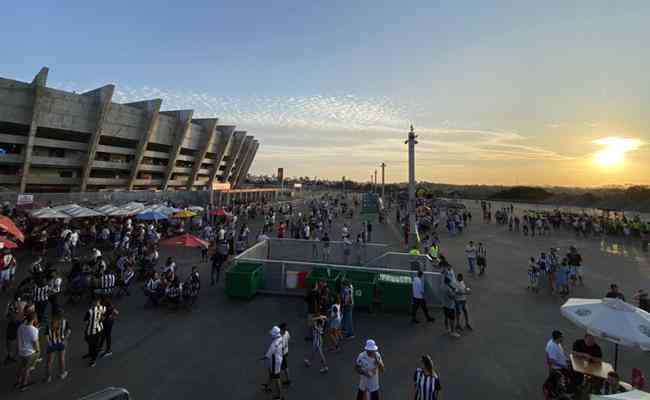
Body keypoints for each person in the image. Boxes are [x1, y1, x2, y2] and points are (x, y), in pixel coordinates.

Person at [15, 313, 40, 391]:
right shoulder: (34, 330)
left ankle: (18, 382)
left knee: (20, 367)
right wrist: (38, 351)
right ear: (34, 319)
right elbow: (35, 344)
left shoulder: (20, 327)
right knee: (27, 369)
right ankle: (24, 385)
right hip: (29, 353)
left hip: (21, 351)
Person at [44, 311, 71, 382]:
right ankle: (62, 373)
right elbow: (68, 331)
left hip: (52, 344)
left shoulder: (49, 323)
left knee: (49, 362)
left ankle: (48, 377)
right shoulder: (64, 322)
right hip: (61, 343)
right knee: (61, 359)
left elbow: (46, 335)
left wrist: (48, 343)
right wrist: (65, 339)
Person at [262, 326, 284, 400]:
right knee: (271, 374)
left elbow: (269, 354)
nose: (271, 335)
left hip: (275, 362)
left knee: (277, 378)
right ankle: (267, 386)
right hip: (279, 359)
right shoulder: (281, 338)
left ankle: (280, 396)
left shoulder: (274, 343)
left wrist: (264, 357)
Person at [83, 298, 105, 367]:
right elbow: (103, 316)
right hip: (99, 329)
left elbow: (85, 322)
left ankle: (93, 359)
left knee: (92, 344)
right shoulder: (103, 308)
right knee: (94, 344)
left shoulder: (90, 311)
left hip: (91, 331)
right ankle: (92, 355)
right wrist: (99, 321)